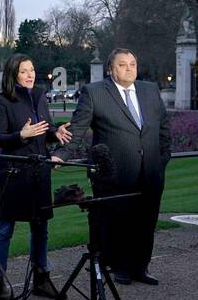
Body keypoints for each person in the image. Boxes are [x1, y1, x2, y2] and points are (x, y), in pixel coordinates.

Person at [58, 48, 171, 286]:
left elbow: (164, 129)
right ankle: (119, 267)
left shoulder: (150, 90)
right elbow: (77, 130)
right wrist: (61, 155)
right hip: (114, 174)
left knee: (146, 222)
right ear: (111, 69)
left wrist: (161, 161)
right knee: (117, 222)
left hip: (150, 171)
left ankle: (141, 267)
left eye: (132, 63)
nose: (129, 68)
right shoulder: (95, 92)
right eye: (122, 64)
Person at [0, 54, 59, 297]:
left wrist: (55, 133)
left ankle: (41, 279)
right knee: (5, 228)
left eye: (32, 70)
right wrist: (22, 134)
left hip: (39, 171)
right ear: (13, 75)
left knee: (40, 227)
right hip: (13, 173)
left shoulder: (40, 95)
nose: (30, 75)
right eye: (24, 71)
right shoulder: (2, 101)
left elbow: (45, 129)